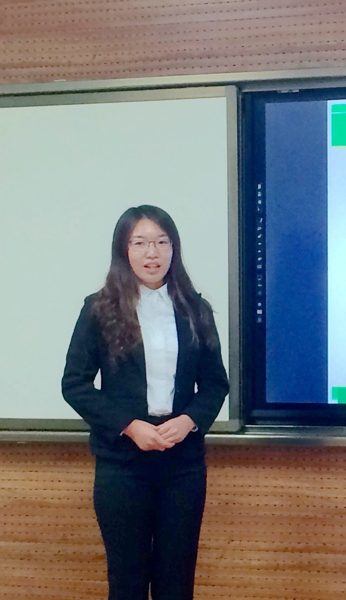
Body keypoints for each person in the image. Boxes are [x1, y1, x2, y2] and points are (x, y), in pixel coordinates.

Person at [62, 205, 229, 600]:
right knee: (127, 581)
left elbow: (215, 384)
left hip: (182, 465)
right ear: (124, 250)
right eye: (140, 243)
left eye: (161, 242)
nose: (152, 253)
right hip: (123, 464)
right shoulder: (99, 309)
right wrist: (129, 425)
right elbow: (75, 384)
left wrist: (189, 420)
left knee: (176, 582)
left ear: (174, 249)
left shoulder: (196, 309)